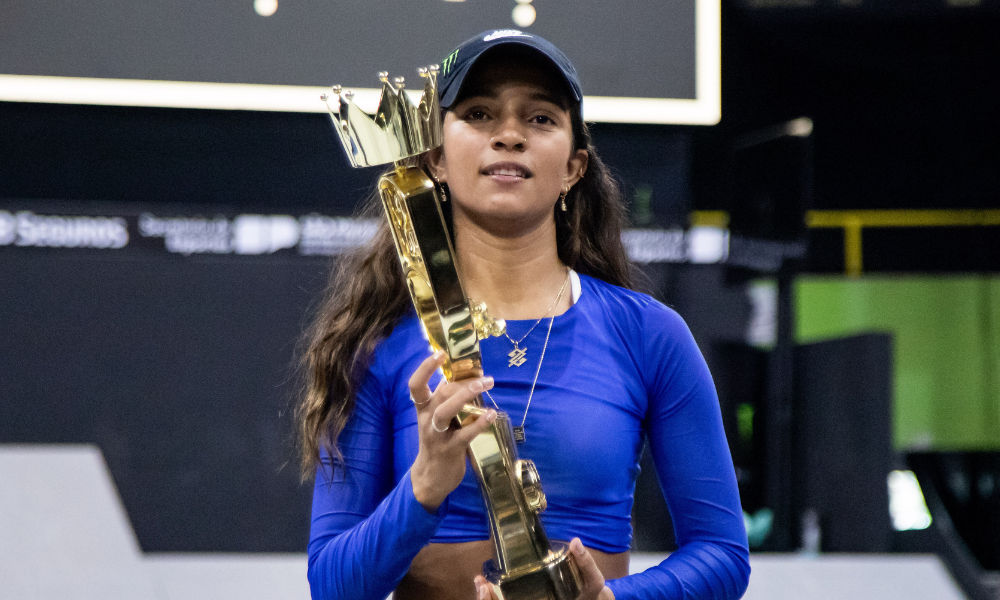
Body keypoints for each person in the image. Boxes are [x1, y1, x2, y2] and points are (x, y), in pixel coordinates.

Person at [297, 30, 750, 600]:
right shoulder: (377, 341)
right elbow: (332, 585)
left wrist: (615, 599)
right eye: (478, 113)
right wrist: (423, 487)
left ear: (574, 167)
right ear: (436, 157)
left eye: (540, 118)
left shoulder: (650, 336)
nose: (509, 135)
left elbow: (722, 554)